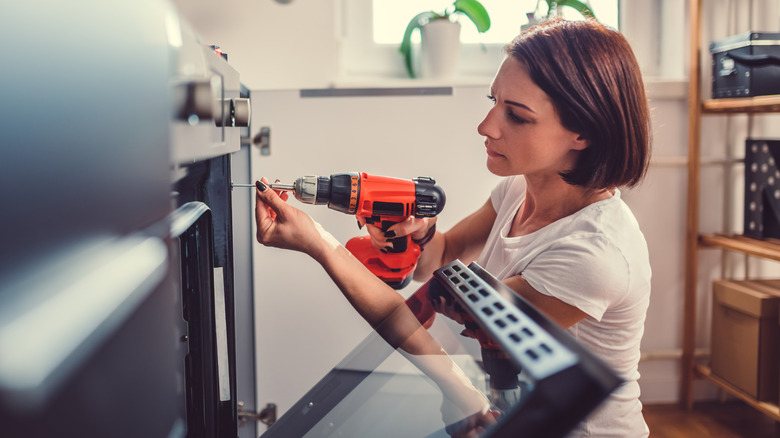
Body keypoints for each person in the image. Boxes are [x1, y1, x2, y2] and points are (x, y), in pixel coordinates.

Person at [255, 17, 651, 438]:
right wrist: (420, 235)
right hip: (501, 413)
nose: (486, 126)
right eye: (493, 100)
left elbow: (421, 331)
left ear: (582, 133)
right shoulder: (519, 189)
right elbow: (439, 259)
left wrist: (318, 242)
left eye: (516, 116)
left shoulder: (593, 255)